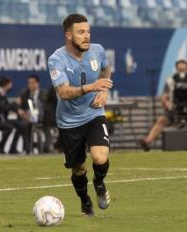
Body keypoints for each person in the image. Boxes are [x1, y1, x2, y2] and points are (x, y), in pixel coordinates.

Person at [48, 13, 113, 216]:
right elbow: (64, 92)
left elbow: (106, 68)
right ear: (69, 35)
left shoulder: (98, 51)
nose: (87, 36)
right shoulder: (56, 59)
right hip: (69, 121)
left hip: (94, 113)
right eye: (81, 32)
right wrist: (91, 87)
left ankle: (99, 183)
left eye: (88, 31)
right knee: (78, 169)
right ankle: (85, 201)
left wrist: (103, 90)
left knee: (100, 157)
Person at [140, 60, 187, 151]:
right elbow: (164, 97)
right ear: (176, 70)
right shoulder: (170, 82)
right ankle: (148, 141)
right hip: (173, 109)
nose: (181, 71)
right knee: (162, 120)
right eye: (179, 69)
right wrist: (167, 103)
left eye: (183, 69)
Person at [0, 76, 28, 154]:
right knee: (9, 127)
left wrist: (18, 110)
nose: (11, 86)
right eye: (10, 84)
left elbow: (8, 106)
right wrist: (15, 103)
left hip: (1, 120)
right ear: (6, 85)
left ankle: (13, 148)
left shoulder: (3, 94)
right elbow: (3, 107)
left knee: (21, 125)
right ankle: (0, 148)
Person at [17, 74, 47, 153]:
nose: (30, 85)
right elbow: (19, 106)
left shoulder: (44, 93)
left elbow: (45, 108)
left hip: (41, 118)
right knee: (23, 124)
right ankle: (27, 149)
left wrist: (36, 114)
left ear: (37, 83)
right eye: (29, 83)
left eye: (32, 83)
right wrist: (20, 110)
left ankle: (45, 148)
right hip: (28, 118)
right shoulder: (24, 93)